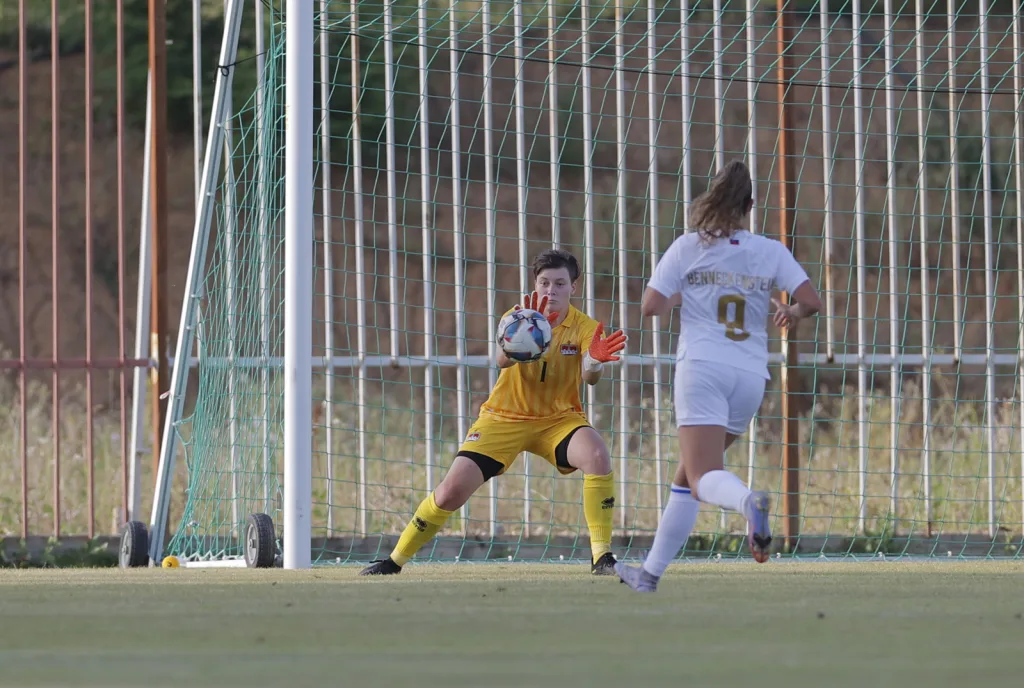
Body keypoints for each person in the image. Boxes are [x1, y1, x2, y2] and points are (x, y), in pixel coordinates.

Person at [616, 160, 821, 592]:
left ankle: (749, 502)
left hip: (702, 368)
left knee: (703, 474)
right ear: (750, 205)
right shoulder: (769, 250)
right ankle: (648, 576)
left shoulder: (689, 247)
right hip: (749, 375)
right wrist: (791, 311)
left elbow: (650, 306)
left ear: (710, 198)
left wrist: (680, 294)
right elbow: (811, 300)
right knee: (689, 476)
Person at [361, 248, 629, 576]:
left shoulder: (586, 327)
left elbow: (590, 379)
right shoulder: (518, 317)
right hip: (504, 417)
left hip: (559, 420)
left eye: (560, 284)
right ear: (535, 283)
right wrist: (523, 334)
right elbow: (501, 361)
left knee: (597, 455)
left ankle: (602, 557)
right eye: (544, 282)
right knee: (449, 492)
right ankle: (394, 561)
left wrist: (594, 360)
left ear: (575, 287)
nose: (551, 291)